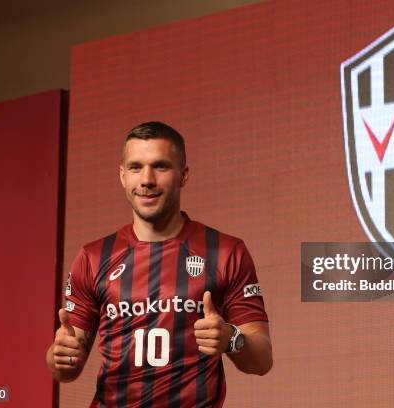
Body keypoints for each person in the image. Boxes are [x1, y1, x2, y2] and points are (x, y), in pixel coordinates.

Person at [45, 121, 272, 407]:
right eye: (136, 167)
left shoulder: (226, 251)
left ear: (184, 175)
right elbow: (65, 369)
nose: (147, 179)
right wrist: (59, 356)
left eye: (160, 166)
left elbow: (262, 359)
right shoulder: (93, 257)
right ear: (122, 176)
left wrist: (231, 338)